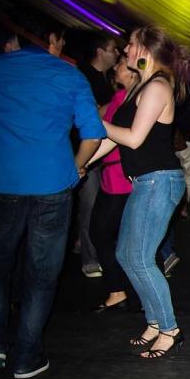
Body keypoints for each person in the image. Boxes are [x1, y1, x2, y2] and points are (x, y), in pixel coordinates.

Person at [0, 21, 104, 378]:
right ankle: (26, 357)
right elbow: (92, 135)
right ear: (54, 40)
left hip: (1, 182)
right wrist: (75, 169)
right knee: (42, 275)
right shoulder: (69, 75)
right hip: (52, 183)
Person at [88, 26, 190, 358]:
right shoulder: (141, 86)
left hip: (159, 180)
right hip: (146, 181)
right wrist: (81, 163)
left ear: (145, 50)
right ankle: (154, 321)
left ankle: (170, 329)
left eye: (131, 45)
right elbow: (114, 139)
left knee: (141, 258)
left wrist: (95, 121)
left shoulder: (158, 86)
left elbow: (133, 138)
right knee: (125, 254)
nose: (125, 50)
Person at [90, 56, 137, 313]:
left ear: (131, 73)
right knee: (108, 233)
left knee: (105, 233)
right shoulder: (120, 97)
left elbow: (114, 136)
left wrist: (83, 162)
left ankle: (121, 291)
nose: (116, 68)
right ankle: (124, 291)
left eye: (121, 64)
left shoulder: (130, 99)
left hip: (120, 176)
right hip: (111, 174)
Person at [76, 33, 119, 278]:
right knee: (90, 204)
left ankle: (95, 249)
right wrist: (118, 102)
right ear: (101, 51)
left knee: (103, 205)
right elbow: (90, 115)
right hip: (88, 149)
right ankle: (90, 258)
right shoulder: (85, 77)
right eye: (113, 49)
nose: (117, 54)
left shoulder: (108, 79)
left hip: (107, 150)